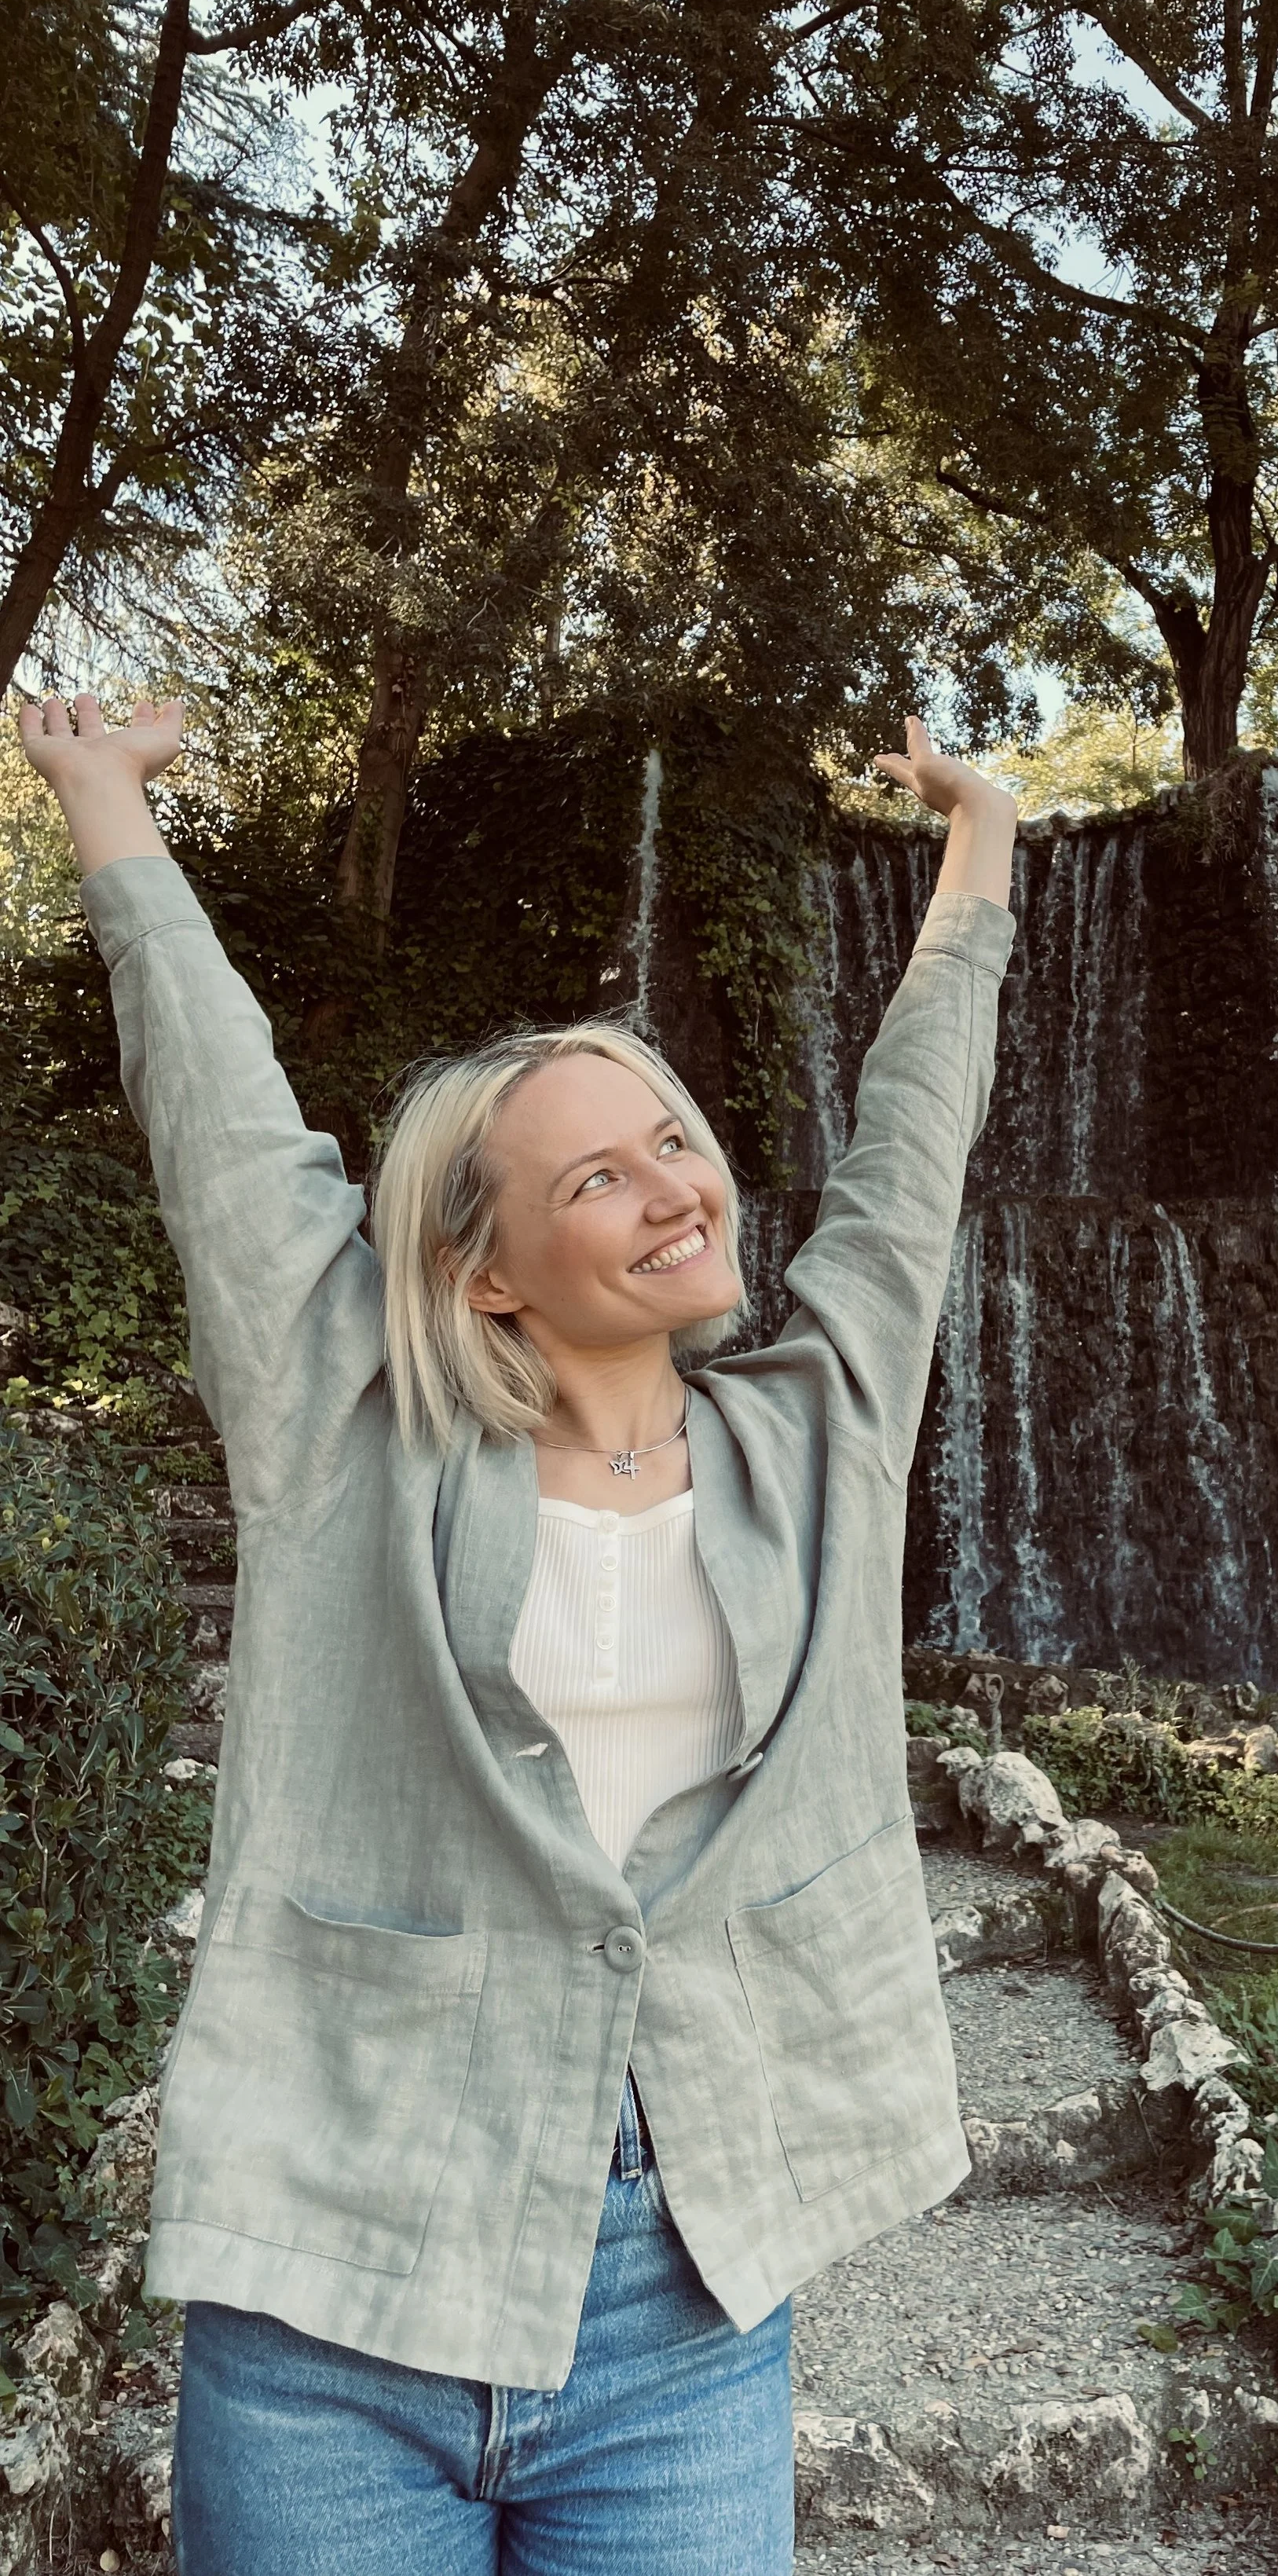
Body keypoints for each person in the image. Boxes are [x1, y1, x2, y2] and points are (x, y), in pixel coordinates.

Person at [16, 688, 1020, 2576]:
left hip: (683, 2294)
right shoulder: (343, 1431)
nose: (675, 1185)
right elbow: (227, 1135)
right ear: (485, 1267)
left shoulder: (822, 1432)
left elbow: (910, 1153)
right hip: (338, 2282)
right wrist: (101, 804)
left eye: (672, 1139)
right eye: (598, 1178)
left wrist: (979, 846)